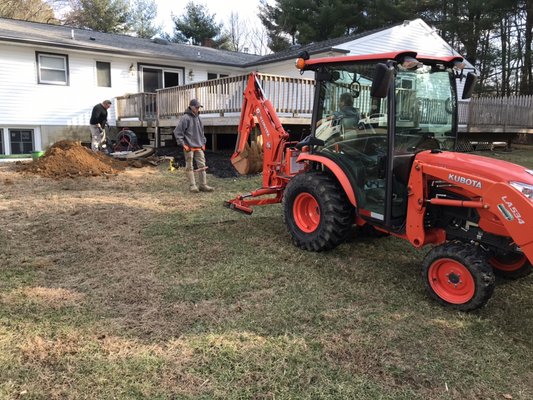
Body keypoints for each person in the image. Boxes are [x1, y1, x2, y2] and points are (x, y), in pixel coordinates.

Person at [173, 99, 214, 193]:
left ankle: (203, 185)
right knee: (189, 166)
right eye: (196, 107)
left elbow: (201, 132)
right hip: (189, 147)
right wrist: (183, 144)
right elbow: (177, 132)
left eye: (199, 107)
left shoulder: (199, 118)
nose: (198, 109)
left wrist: (203, 142)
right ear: (191, 107)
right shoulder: (185, 118)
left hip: (199, 146)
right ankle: (193, 186)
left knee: (202, 166)